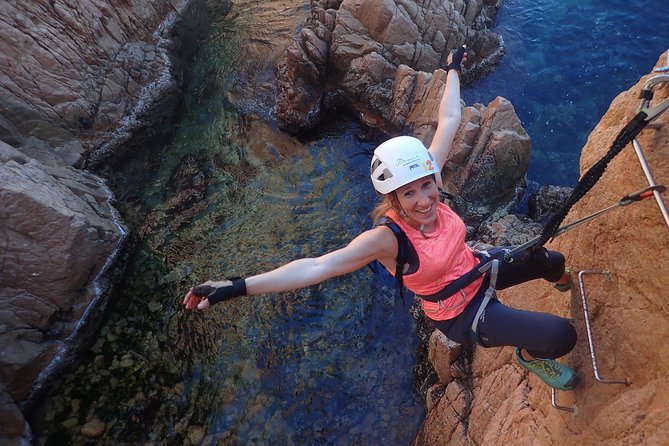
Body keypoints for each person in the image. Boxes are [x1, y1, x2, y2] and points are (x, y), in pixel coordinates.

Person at [182, 45, 579, 390]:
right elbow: (316, 267)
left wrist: (454, 67)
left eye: (426, 186)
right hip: (460, 312)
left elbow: (450, 120)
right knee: (562, 335)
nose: (424, 200)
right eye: (409, 193)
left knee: (553, 261)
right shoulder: (388, 239)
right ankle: (530, 355)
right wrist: (234, 287)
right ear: (393, 197)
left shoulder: (431, 179)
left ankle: (562, 282)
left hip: (475, 266)